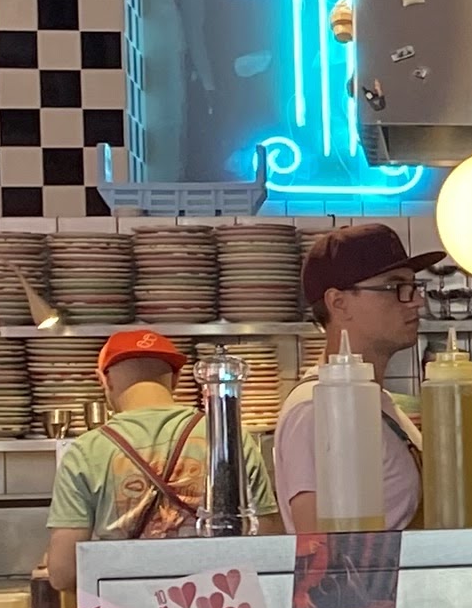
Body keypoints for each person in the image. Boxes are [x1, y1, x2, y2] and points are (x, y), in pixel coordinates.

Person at [43, 331, 273, 588]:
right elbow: (268, 540)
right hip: (219, 600)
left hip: (125, 605)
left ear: (104, 380)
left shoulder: (86, 451)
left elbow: (64, 573)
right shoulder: (229, 435)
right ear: (176, 379)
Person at [272, 223, 431, 537]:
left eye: (414, 286)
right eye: (395, 287)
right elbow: (321, 552)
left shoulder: (375, 399)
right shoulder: (318, 409)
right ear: (338, 303)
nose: (416, 301)